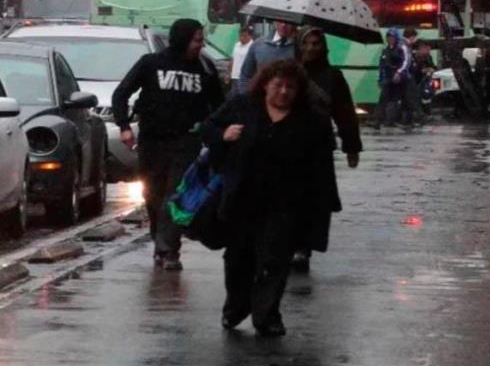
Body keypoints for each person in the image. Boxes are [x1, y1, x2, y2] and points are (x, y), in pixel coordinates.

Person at [203, 60, 340, 336]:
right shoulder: (243, 106)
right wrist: (223, 135)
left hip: (285, 204)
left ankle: (267, 315)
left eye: (291, 87)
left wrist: (323, 204)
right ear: (265, 84)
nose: (284, 92)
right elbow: (208, 128)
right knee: (237, 260)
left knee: (275, 261)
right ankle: (236, 307)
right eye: (278, 85)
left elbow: (322, 166)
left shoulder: (311, 119)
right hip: (242, 199)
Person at [112, 18, 225, 271]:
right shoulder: (151, 63)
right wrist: (124, 126)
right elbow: (121, 93)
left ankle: (169, 249)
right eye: (197, 39)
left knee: (174, 194)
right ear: (183, 40)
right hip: (152, 141)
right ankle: (159, 240)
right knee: (152, 194)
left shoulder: (205, 70)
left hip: (186, 141)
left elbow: (220, 106)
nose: (201, 44)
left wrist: (212, 131)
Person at [293, 28, 361, 273]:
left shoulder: (332, 76)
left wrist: (351, 146)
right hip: (287, 146)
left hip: (318, 148)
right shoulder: (288, 73)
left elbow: (345, 113)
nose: (311, 48)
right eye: (306, 43)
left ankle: (304, 247)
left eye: (316, 44)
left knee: (315, 200)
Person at [237, 20, 298, 92]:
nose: (283, 25)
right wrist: (245, 97)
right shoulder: (259, 44)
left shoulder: (299, 47)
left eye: (287, 21)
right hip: (258, 98)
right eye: (280, 20)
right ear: (275, 21)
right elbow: (245, 75)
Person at [372, 28, 410, 127]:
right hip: (388, 78)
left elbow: (406, 62)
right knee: (383, 98)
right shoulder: (386, 50)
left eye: (392, 37)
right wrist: (380, 79)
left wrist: (399, 73)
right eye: (388, 37)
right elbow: (382, 65)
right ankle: (378, 120)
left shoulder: (402, 48)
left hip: (399, 78)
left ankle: (392, 120)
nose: (390, 39)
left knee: (397, 99)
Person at [411, 39, 437, 116]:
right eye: (427, 49)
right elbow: (413, 70)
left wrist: (432, 69)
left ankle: (425, 113)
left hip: (425, 81)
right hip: (415, 81)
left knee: (427, 96)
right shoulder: (414, 57)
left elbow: (433, 67)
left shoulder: (428, 57)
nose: (429, 51)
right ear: (421, 48)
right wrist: (423, 70)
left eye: (429, 49)